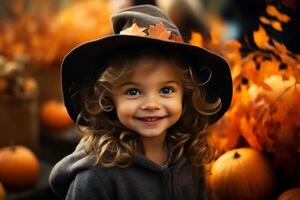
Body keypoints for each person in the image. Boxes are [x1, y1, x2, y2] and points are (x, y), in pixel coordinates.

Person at [49, 4, 232, 200]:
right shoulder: (96, 176)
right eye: (133, 91)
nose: (151, 104)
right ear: (109, 99)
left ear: (185, 95)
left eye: (166, 90)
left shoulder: (190, 157)